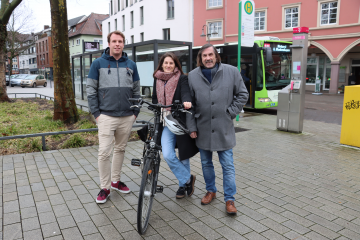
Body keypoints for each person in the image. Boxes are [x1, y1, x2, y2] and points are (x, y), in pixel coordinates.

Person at [187, 44, 249, 215]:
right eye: (204, 55)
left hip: (224, 128)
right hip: (203, 128)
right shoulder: (192, 76)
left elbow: (243, 94)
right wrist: (191, 126)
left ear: (216, 56)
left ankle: (230, 199)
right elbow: (189, 104)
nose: (208, 58)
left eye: (210, 55)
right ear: (200, 58)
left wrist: (230, 112)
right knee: (206, 163)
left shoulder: (231, 72)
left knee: (227, 165)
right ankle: (210, 191)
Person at [86, 30, 140, 203]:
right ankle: (105, 187)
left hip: (126, 116)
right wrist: (97, 114)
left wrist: (135, 112)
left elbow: (137, 90)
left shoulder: (131, 65)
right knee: (103, 153)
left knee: (120, 149)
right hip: (106, 116)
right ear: (108, 43)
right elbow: (90, 90)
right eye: (114, 41)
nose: (117, 44)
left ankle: (115, 181)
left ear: (124, 44)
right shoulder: (98, 64)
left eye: (120, 41)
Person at [152, 52, 198, 199]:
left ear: (175, 65)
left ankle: (181, 186)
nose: (168, 65)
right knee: (168, 154)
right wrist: (153, 106)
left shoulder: (182, 78)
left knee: (183, 155)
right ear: (162, 64)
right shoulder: (157, 78)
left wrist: (186, 101)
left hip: (180, 121)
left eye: (171, 63)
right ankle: (187, 179)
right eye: (166, 63)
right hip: (165, 122)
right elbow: (154, 98)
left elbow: (185, 93)